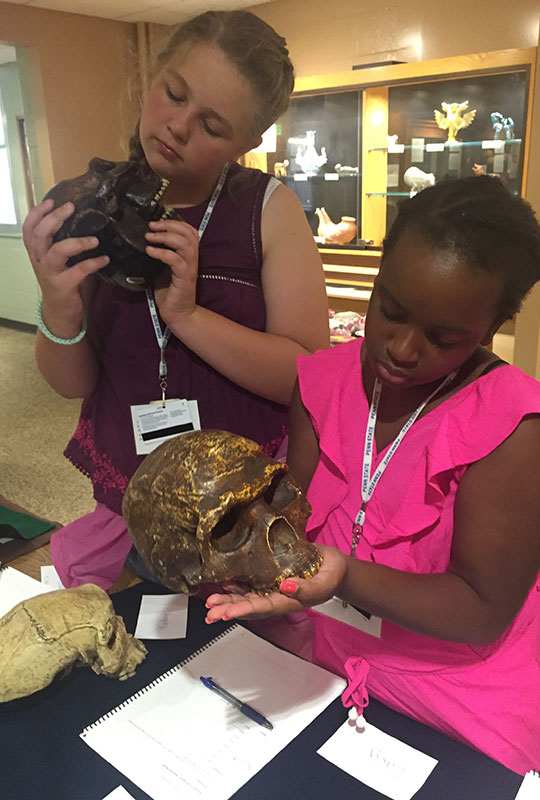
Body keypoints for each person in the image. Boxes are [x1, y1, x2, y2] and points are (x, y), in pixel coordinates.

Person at [204, 175, 540, 776]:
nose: (401, 348)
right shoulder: (321, 380)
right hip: (317, 650)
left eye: (444, 338)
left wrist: (343, 573)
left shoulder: (521, 435)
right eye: (390, 310)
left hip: (450, 690)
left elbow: (480, 607)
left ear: (495, 324)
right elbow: (292, 520)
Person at [22, 10, 329, 589]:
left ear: (248, 142)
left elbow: (306, 375)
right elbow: (73, 384)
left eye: (213, 125)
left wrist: (186, 316)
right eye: (173, 95)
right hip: (133, 496)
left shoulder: (268, 208)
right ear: (152, 78)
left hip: (240, 513)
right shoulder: (96, 203)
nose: (179, 127)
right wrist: (58, 305)